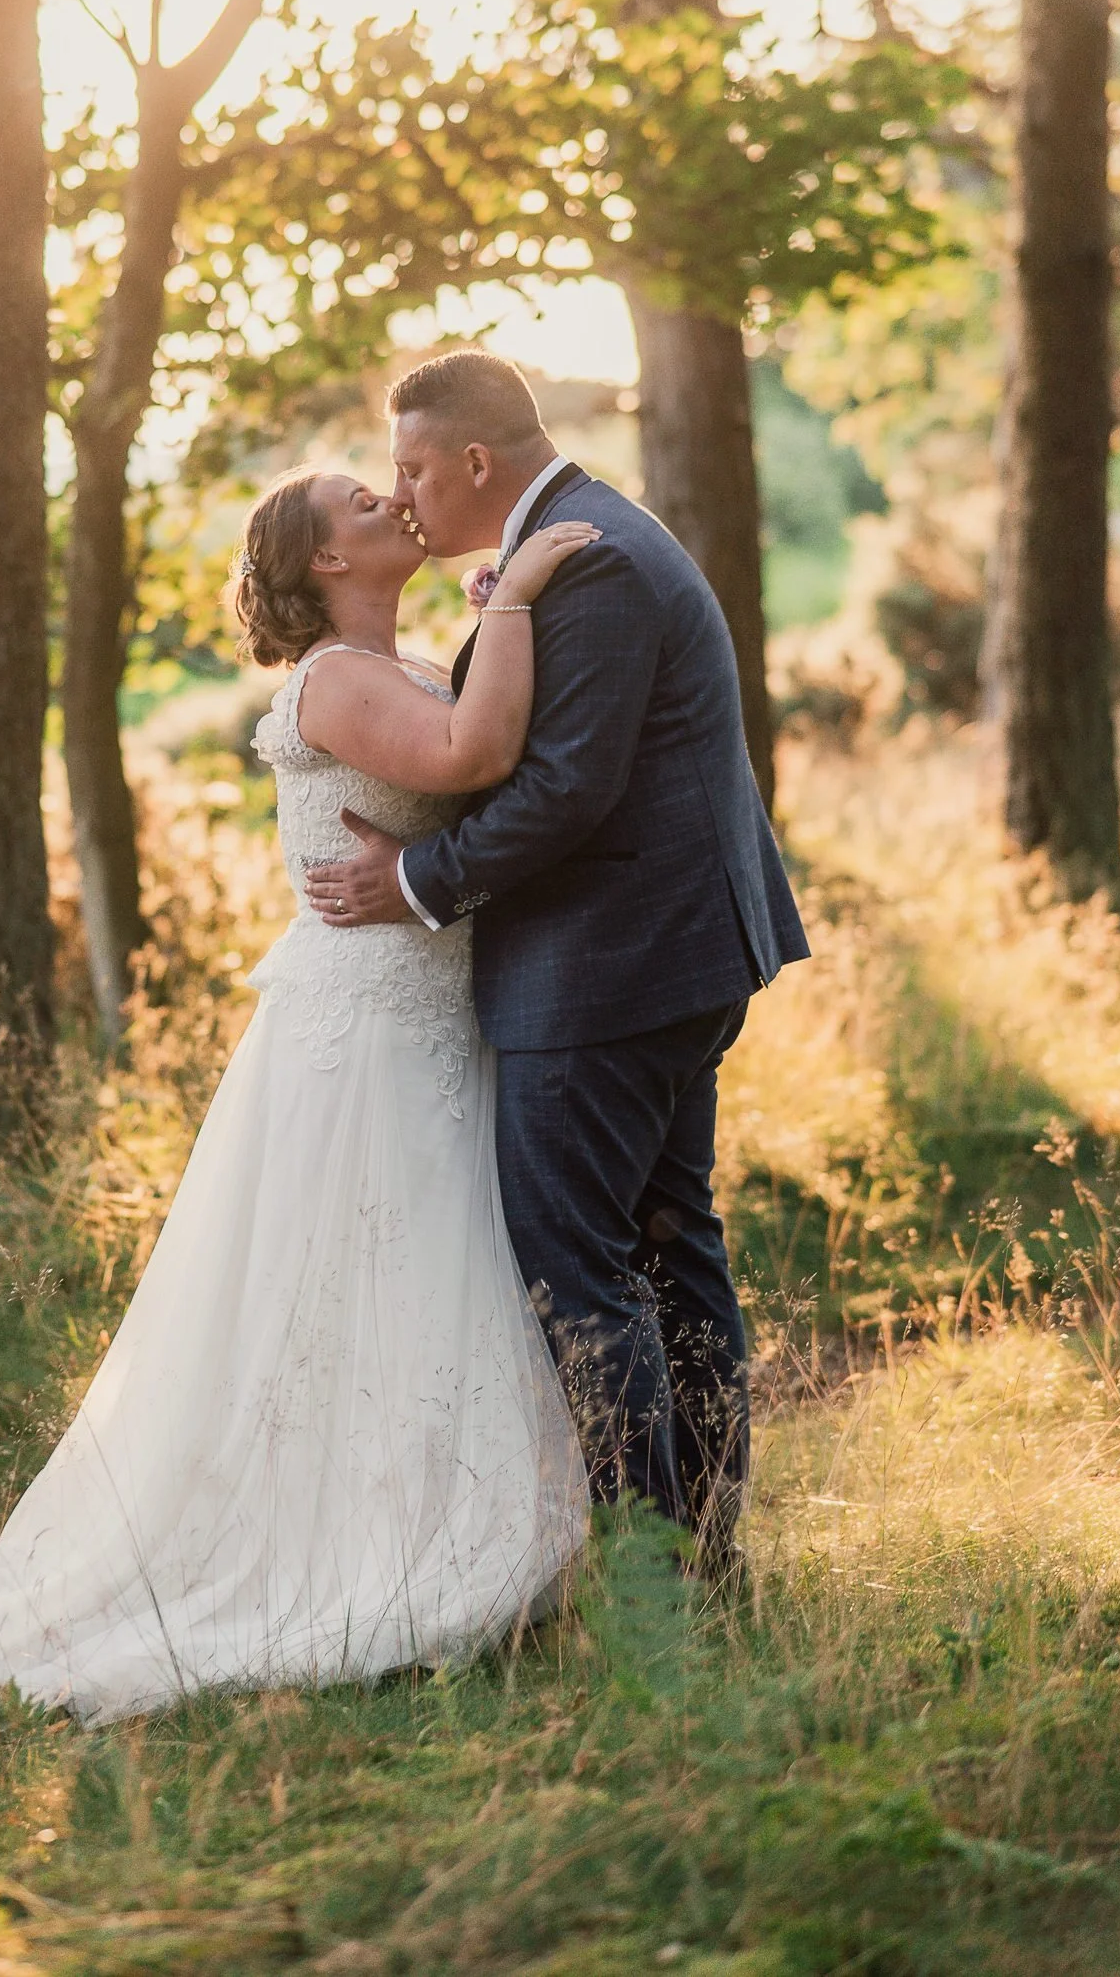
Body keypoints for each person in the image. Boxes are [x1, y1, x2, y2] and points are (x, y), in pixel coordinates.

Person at [0, 468, 598, 1751]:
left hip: (415, 1007)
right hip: (364, 1027)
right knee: (364, 1269)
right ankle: (350, 1539)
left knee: (403, 1272)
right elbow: (475, 755)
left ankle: (409, 1510)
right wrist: (516, 595)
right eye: (361, 503)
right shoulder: (340, 680)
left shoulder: (392, 663)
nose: (386, 506)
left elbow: (464, 741)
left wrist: (484, 619)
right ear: (320, 567)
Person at [306, 351, 809, 1565]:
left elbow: (564, 789)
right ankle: (698, 1552)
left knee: (581, 1270)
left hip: (610, 969)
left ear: (475, 461)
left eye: (413, 468)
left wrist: (412, 880)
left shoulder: (592, 563)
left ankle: (654, 1571)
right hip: (661, 953)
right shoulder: (581, 539)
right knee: (664, 1246)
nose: (405, 492)